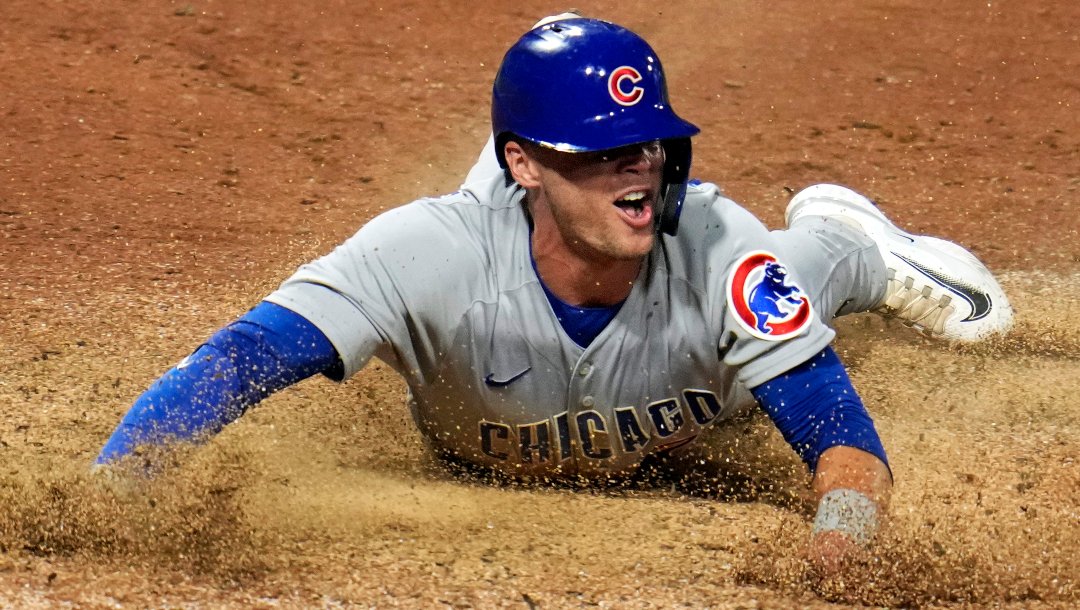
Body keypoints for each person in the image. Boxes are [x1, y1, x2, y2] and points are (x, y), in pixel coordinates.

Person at [94, 16, 1013, 573]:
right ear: (523, 164)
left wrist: (843, 549)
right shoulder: (427, 254)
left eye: (648, 144)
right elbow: (242, 359)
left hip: (717, 382)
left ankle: (857, 239)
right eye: (598, 151)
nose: (637, 168)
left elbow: (844, 442)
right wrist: (110, 491)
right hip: (509, 247)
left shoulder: (718, 252)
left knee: (801, 264)